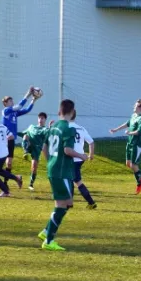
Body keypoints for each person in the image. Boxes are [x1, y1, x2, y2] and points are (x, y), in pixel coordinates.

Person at [37, 99, 88, 251]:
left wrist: (50, 161)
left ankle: (46, 231)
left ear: (60, 111)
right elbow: (67, 150)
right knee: (63, 204)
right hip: (62, 171)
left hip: (54, 168)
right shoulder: (68, 129)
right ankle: (48, 240)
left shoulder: (52, 127)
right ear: (72, 112)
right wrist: (82, 155)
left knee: (66, 203)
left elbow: (44, 148)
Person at [109, 99, 141, 194]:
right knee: (128, 163)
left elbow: (139, 132)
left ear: (140, 108)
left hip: (136, 145)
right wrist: (116, 129)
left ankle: (140, 183)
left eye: (135, 106)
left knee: (133, 165)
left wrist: (129, 132)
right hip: (129, 144)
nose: (133, 107)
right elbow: (127, 124)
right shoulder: (134, 116)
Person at [1, 87, 36, 187]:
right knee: (1, 163)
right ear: (6, 103)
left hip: (11, 141)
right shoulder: (6, 111)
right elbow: (20, 106)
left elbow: (27, 109)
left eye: (12, 100)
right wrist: (28, 94)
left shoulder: (14, 113)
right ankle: (9, 181)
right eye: (10, 100)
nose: (12, 101)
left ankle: (5, 183)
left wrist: (34, 100)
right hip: (4, 140)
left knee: (9, 163)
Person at [69, 110, 97, 209]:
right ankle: (70, 203)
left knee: (76, 181)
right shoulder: (81, 128)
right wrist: (91, 155)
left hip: (72, 157)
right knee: (72, 179)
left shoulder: (66, 127)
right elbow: (91, 142)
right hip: (80, 158)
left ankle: (91, 202)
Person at [19, 112, 50, 191]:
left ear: (45, 120)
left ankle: (31, 184)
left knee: (34, 167)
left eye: (42, 118)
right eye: (39, 118)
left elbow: (49, 134)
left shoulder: (45, 129)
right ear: (37, 119)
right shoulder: (31, 127)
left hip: (36, 149)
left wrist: (50, 127)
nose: (40, 119)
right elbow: (23, 133)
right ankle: (25, 152)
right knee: (26, 136)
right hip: (29, 145)